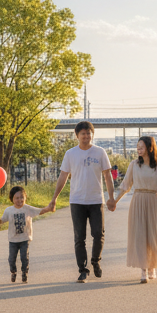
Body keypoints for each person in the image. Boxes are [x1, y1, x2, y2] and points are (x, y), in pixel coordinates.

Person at [49, 120, 114, 283]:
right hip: (77, 201)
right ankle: (83, 269)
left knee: (98, 234)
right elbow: (63, 176)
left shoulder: (100, 152)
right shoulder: (71, 154)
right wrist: (54, 198)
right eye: (83, 133)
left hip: (96, 200)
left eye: (89, 133)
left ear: (92, 135)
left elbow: (107, 175)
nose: (86, 136)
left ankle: (95, 261)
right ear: (77, 135)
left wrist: (111, 197)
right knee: (79, 237)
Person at [113, 135, 157, 284]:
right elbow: (125, 186)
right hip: (138, 201)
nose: (138, 149)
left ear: (149, 147)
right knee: (140, 236)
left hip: (154, 201)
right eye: (137, 146)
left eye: (141, 146)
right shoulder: (134, 164)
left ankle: (152, 267)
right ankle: (143, 270)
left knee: (153, 236)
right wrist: (114, 201)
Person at [0, 185, 43, 283]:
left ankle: (25, 273)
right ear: (12, 199)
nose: (19, 200)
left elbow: (39, 211)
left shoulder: (28, 208)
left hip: (25, 238)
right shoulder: (9, 210)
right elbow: (3, 220)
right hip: (13, 239)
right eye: (16, 198)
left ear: (25, 198)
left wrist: (49, 207)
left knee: (24, 257)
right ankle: (13, 272)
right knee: (11, 259)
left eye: (22, 197)